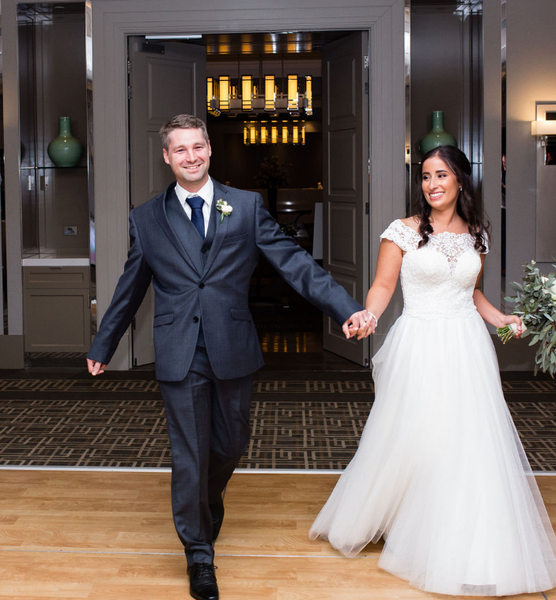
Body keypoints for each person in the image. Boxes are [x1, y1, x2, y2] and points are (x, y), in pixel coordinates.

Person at [86, 114, 367, 600]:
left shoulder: (245, 205)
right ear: (167, 157)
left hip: (232, 346)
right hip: (178, 351)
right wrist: (103, 344)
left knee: (232, 441)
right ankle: (199, 556)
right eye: (180, 150)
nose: (190, 156)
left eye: (198, 147)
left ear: (210, 150)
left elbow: (295, 263)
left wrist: (344, 308)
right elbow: (130, 287)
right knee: (189, 453)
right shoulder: (147, 217)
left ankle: (207, 498)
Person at [309, 145, 556, 596]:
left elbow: (473, 293)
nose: (432, 184)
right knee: (419, 433)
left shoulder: (477, 233)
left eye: (441, 175)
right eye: (425, 176)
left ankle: (461, 529)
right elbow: (383, 285)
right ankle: (406, 521)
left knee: (469, 438)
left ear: (460, 180)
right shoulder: (402, 231)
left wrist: (503, 321)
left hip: (467, 345)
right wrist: (369, 316)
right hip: (419, 341)